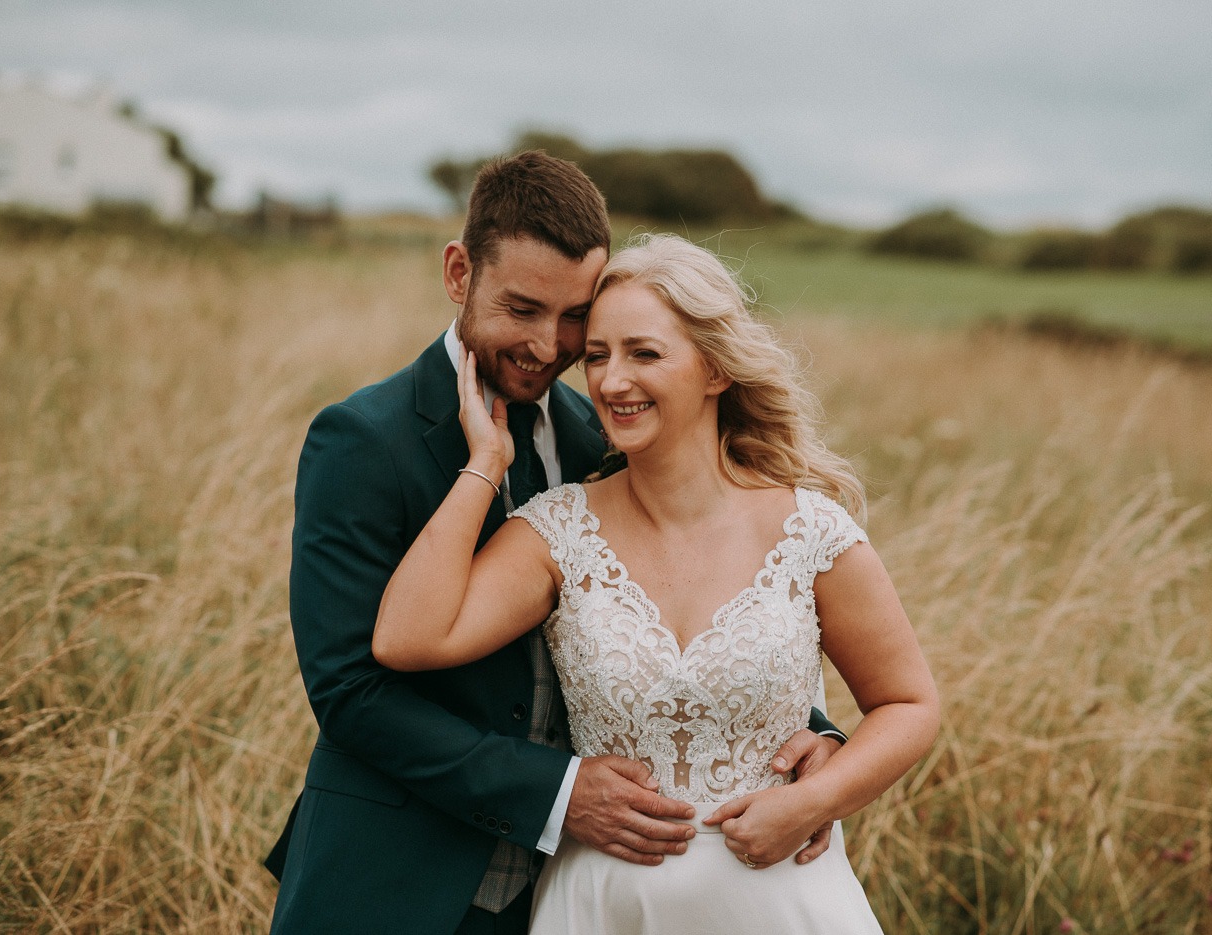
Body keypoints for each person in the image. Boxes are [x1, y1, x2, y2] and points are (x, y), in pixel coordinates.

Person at [265, 153, 846, 935]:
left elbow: (672, 612)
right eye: (523, 308)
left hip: (560, 896)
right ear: (458, 272)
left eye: (576, 316)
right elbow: (349, 691)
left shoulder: (600, 434)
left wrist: (810, 739)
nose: (550, 345)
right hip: (392, 880)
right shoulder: (363, 440)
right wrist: (559, 791)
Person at [372, 232, 941, 932]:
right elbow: (407, 637)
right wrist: (486, 461)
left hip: (778, 899)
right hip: (605, 904)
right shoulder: (559, 533)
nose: (612, 382)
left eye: (645, 353)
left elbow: (910, 703)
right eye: (599, 356)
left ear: (715, 370)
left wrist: (813, 803)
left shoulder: (810, 532)